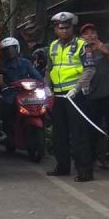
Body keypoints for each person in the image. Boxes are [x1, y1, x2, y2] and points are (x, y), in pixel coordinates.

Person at [45, 12, 95, 182]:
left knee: (79, 134)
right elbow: (49, 69)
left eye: (67, 28)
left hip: (75, 96)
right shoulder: (52, 46)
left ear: (72, 28)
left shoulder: (82, 45)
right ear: (55, 29)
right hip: (58, 96)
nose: (64, 31)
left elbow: (90, 69)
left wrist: (77, 88)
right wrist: (46, 86)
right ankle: (62, 166)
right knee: (59, 134)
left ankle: (85, 171)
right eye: (61, 28)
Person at [79, 23, 109, 175]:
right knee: (91, 129)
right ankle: (91, 161)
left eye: (93, 32)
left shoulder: (108, 47)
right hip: (91, 96)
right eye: (87, 34)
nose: (91, 35)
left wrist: (106, 52)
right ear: (82, 38)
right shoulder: (80, 52)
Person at [0, 37, 43, 141]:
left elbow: (36, 75)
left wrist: (42, 83)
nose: (10, 52)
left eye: (12, 49)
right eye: (6, 50)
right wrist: (3, 85)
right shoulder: (1, 65)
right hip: (10, 93)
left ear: (17, 49)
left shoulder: (25, 63)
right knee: (7, 110)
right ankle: (8, 133)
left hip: (26, 93)